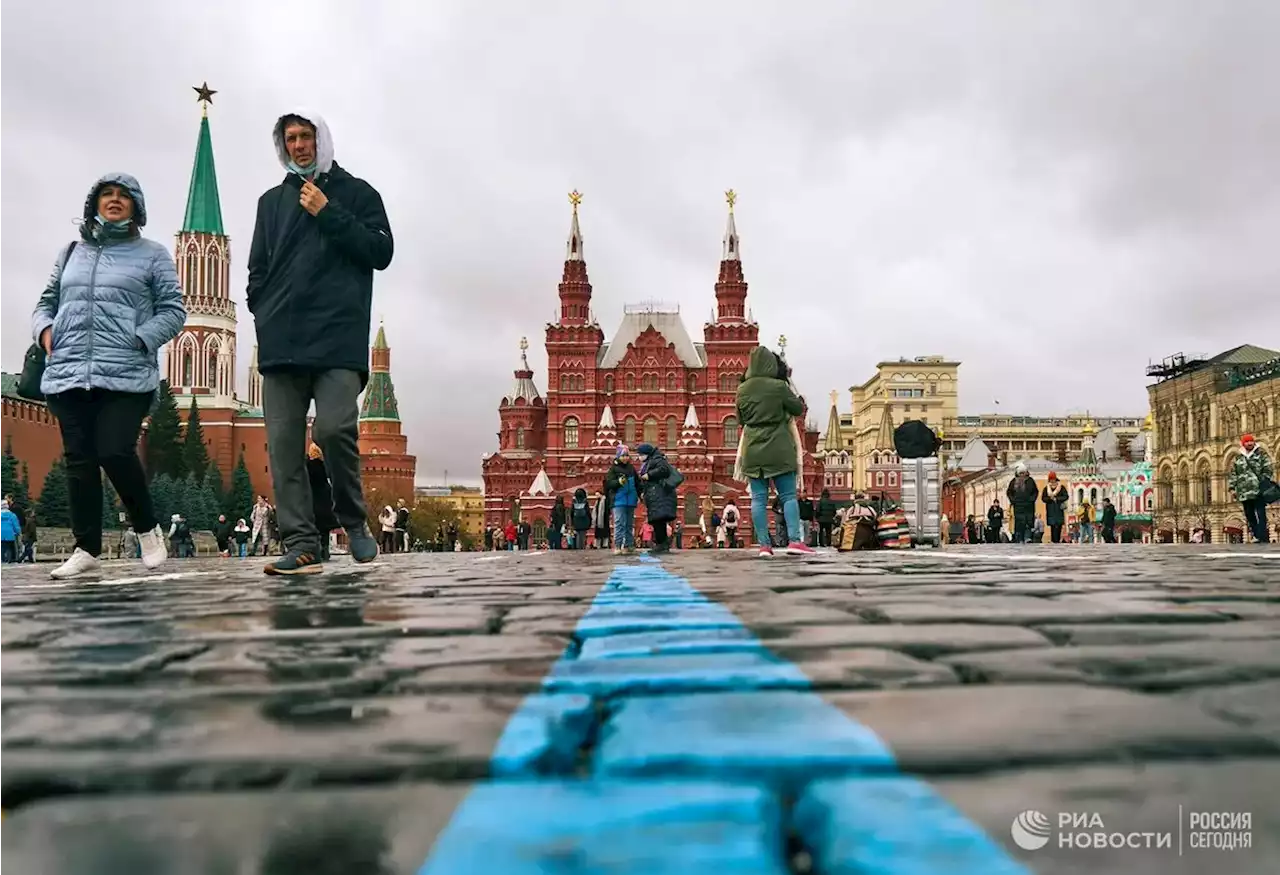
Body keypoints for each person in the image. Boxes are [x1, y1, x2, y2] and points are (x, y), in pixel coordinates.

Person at [247, 110, 392, 575]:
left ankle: (353, 521)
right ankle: (302, 542)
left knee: (332, 429)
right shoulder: (271, 202)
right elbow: (257, 268)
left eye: (305, 136)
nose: (298, 146)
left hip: (337, 338)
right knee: (283, 445)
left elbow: (380, 251)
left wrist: (327, 212)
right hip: (283, 341)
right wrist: (261, 308)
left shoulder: (356, 193)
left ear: (320, 139)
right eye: (289, 139)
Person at [31, 173, 183, 579]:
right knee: (79, 460)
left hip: (127, 372)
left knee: (114, 449)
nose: (114, 201)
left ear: (136, 207)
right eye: (106, 195)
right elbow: (47, 301)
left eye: (123, 196)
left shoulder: (152, 254)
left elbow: (173, 310)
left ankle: (148, 529)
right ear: (94, 204)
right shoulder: (71, 252)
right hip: (69, 370)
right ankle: (86, 548)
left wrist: (140, 339)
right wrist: (45, 330)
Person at [735, 347, 815, 557]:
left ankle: (764, 546)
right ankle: (795, 542)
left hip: (752, 450)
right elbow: (797, 409)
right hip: (779, 447)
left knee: (758, 499)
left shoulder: (742, 389)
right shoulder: (779, 386)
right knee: (788, 496)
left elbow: (740, 419)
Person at [1228, 433, 1274, 543]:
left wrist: (1263, 481)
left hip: (1258, 489)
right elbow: (1234, 473)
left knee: (1260, 513)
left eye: (1251, 441)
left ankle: (1262, 536)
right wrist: (1232, 488)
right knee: (1249, 514)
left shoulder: (1261, 455)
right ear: (1243, 444)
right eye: (1247, 441)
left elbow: (1268, 469)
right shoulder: (1238, 458)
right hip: (1244, 491)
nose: (1249, 443)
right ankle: (1256, 535)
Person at [634, 443, 677, 553]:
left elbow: (664, 470)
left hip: (659, 495)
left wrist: (649, 475)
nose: (639, 457)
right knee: (657, 520)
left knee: (659, 520)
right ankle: (661, 544)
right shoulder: (651, 460)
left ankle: (661, 544)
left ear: (646, 454)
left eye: (640, 454)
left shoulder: (657, 459)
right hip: (655, 495)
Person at [307, 442, 340, 560]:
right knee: (324, 529)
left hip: (313, 500)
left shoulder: (309, 465)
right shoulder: (325, 465)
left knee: (314, 527)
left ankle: (316, 551)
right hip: (326, 500)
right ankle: (325, 550)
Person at [605, 445, 639, 554]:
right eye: (623, 455)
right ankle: (618, 546)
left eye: (627, 455)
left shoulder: (631, 468)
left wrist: (641, 493)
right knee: (619, 523)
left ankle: (628, 545)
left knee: (629, 524)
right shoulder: (613, 469)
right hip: (618, 500)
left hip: (630, 500)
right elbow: (608, 484)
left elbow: (638, 483)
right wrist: (618, 482)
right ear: (618, 456)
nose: (625, 458)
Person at [1005, 462, 1039, 544]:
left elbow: (1035, 492)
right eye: (1020, 473)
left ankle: (1027, 538)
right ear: (1017, 473)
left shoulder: (1030, 481)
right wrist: (1013, 501)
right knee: (1020, 523)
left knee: (1028, 523)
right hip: (1018, 506)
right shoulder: (1014, 481)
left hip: (1029, 506)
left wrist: (1032, 499)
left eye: (1023, 473)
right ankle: (1020, 539)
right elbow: (1009, 492)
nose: (1022, 475)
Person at [1041, 472, 1069, 543]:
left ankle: (1057, 540)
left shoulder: (1061, 487)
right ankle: (1053, 540)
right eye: (1050, 479)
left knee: (1059, 525)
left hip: (1059, 509)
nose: (1052, 481)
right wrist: (1050, 499)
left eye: (1053, 479)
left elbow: (1066, 496)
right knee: (1053, 526)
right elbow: (1043, 498)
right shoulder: (1046, 488)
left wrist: (1057, 499)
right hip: (1051, 510)